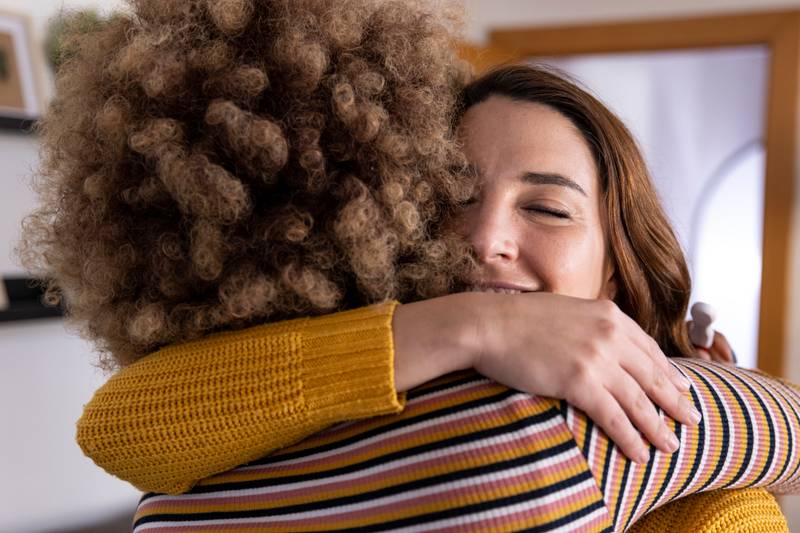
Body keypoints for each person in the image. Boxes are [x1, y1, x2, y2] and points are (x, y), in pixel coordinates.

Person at [17, 0, 795, 529]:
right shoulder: (361, 360)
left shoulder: (665, 450)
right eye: (453, 195)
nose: (485, 236)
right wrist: (468, 324)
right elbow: (125, 426)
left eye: (548, 208)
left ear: (618, 267)